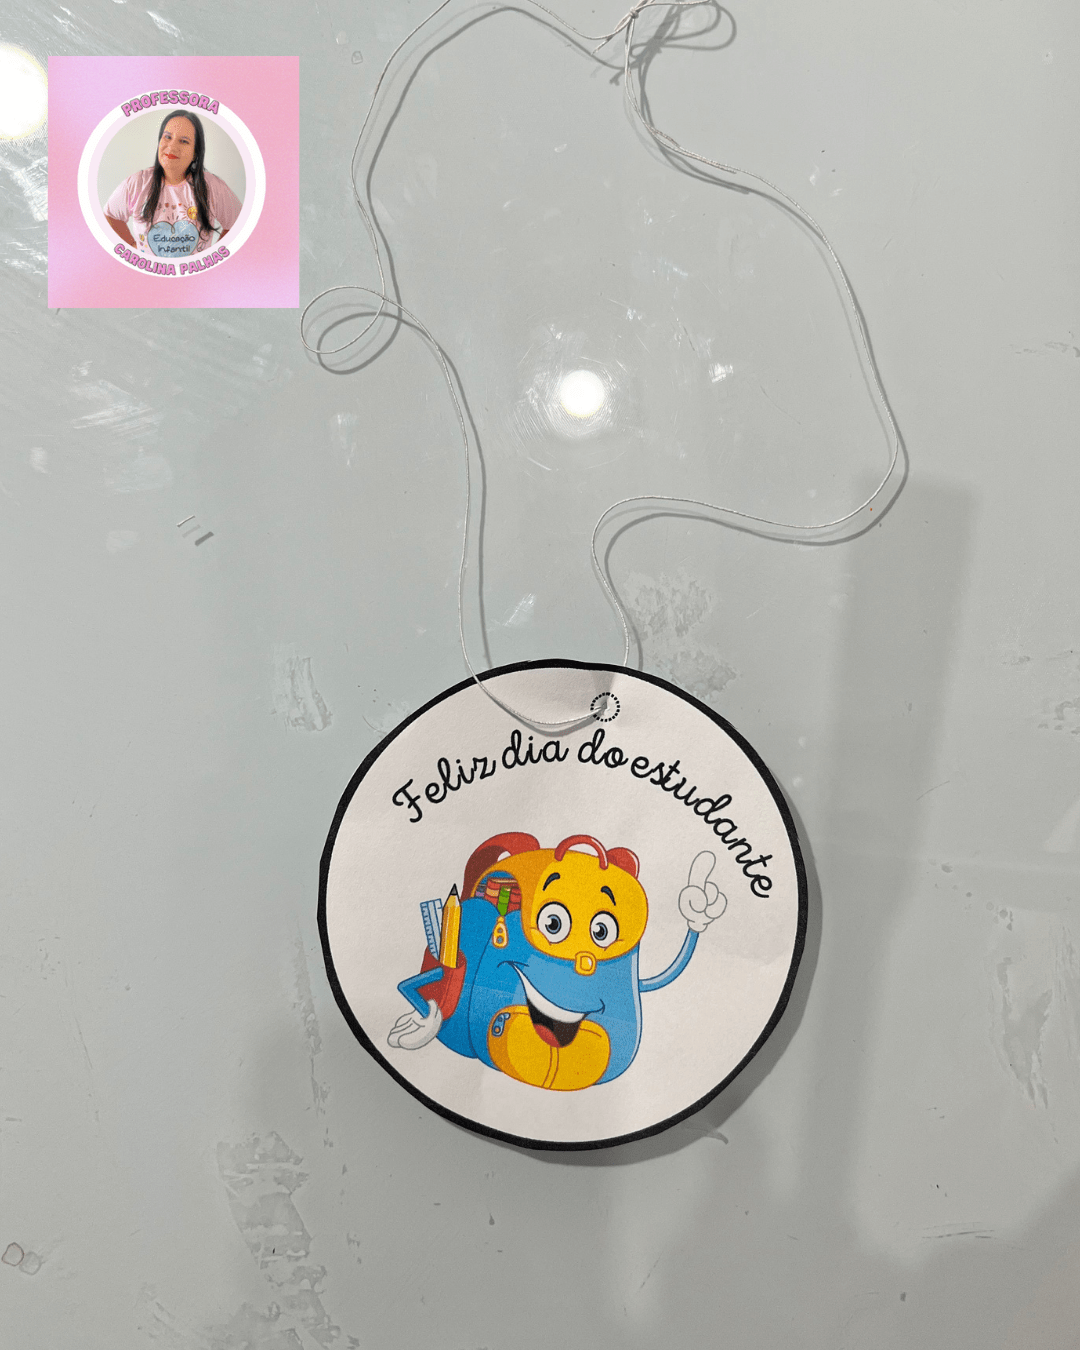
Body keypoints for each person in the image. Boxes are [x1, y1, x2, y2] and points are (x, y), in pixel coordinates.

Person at [103, 112, 241, 261]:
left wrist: (213, 257)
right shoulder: (137, 183)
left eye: (183, 141)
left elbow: (239, 223)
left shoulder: (212, 187)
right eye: (167, 137)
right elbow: (110, 216)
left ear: (195, 153)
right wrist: (131, 245)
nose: (172, 146)